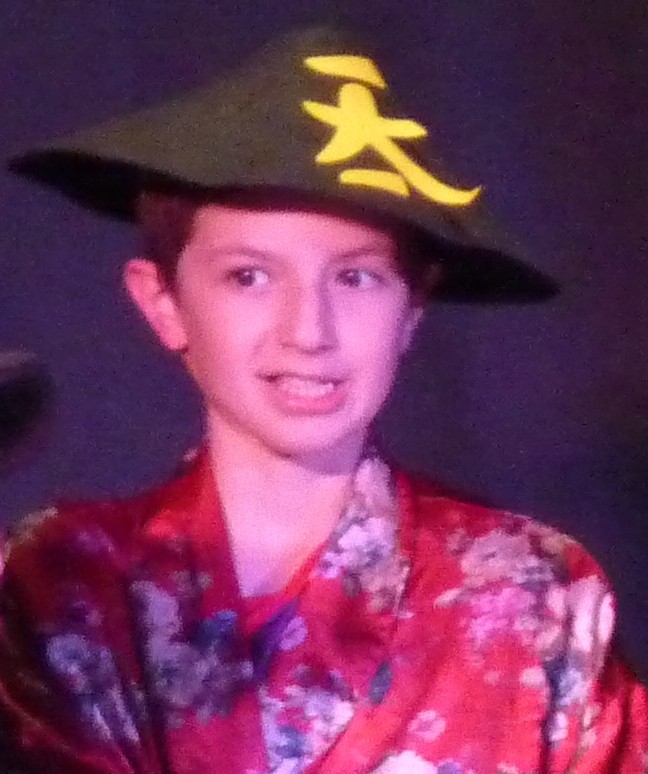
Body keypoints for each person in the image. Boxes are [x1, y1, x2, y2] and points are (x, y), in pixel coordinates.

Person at [0, 25, 646, 774]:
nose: (308, 332)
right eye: (248, 277)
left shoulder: (536, 589)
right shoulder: (61, 580)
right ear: (164, 302)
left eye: (356, 278)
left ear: (413, 309)